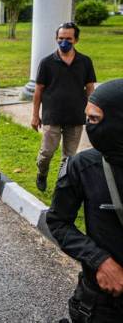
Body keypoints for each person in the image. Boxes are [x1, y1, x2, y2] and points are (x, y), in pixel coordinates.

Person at [47, 79, 123, 322]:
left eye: (94, 119)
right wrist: (99, 261)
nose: (88, 126)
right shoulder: (82, 166)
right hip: (101, 302)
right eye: (87, 118)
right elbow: (58, 222)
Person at [31, 22, 96, 192]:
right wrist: (35, 115)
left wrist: (91, 109)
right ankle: (42, 173)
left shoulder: (85, 61)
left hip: (75, 116)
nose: (64, 42)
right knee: (46, 153)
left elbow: (90, 88)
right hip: (52, 115)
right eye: (60, 38)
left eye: (68, 39)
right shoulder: (46, 63)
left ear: (76, 40)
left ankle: (62, 185)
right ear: (56, 39)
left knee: (69, 157)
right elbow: (38, 91)